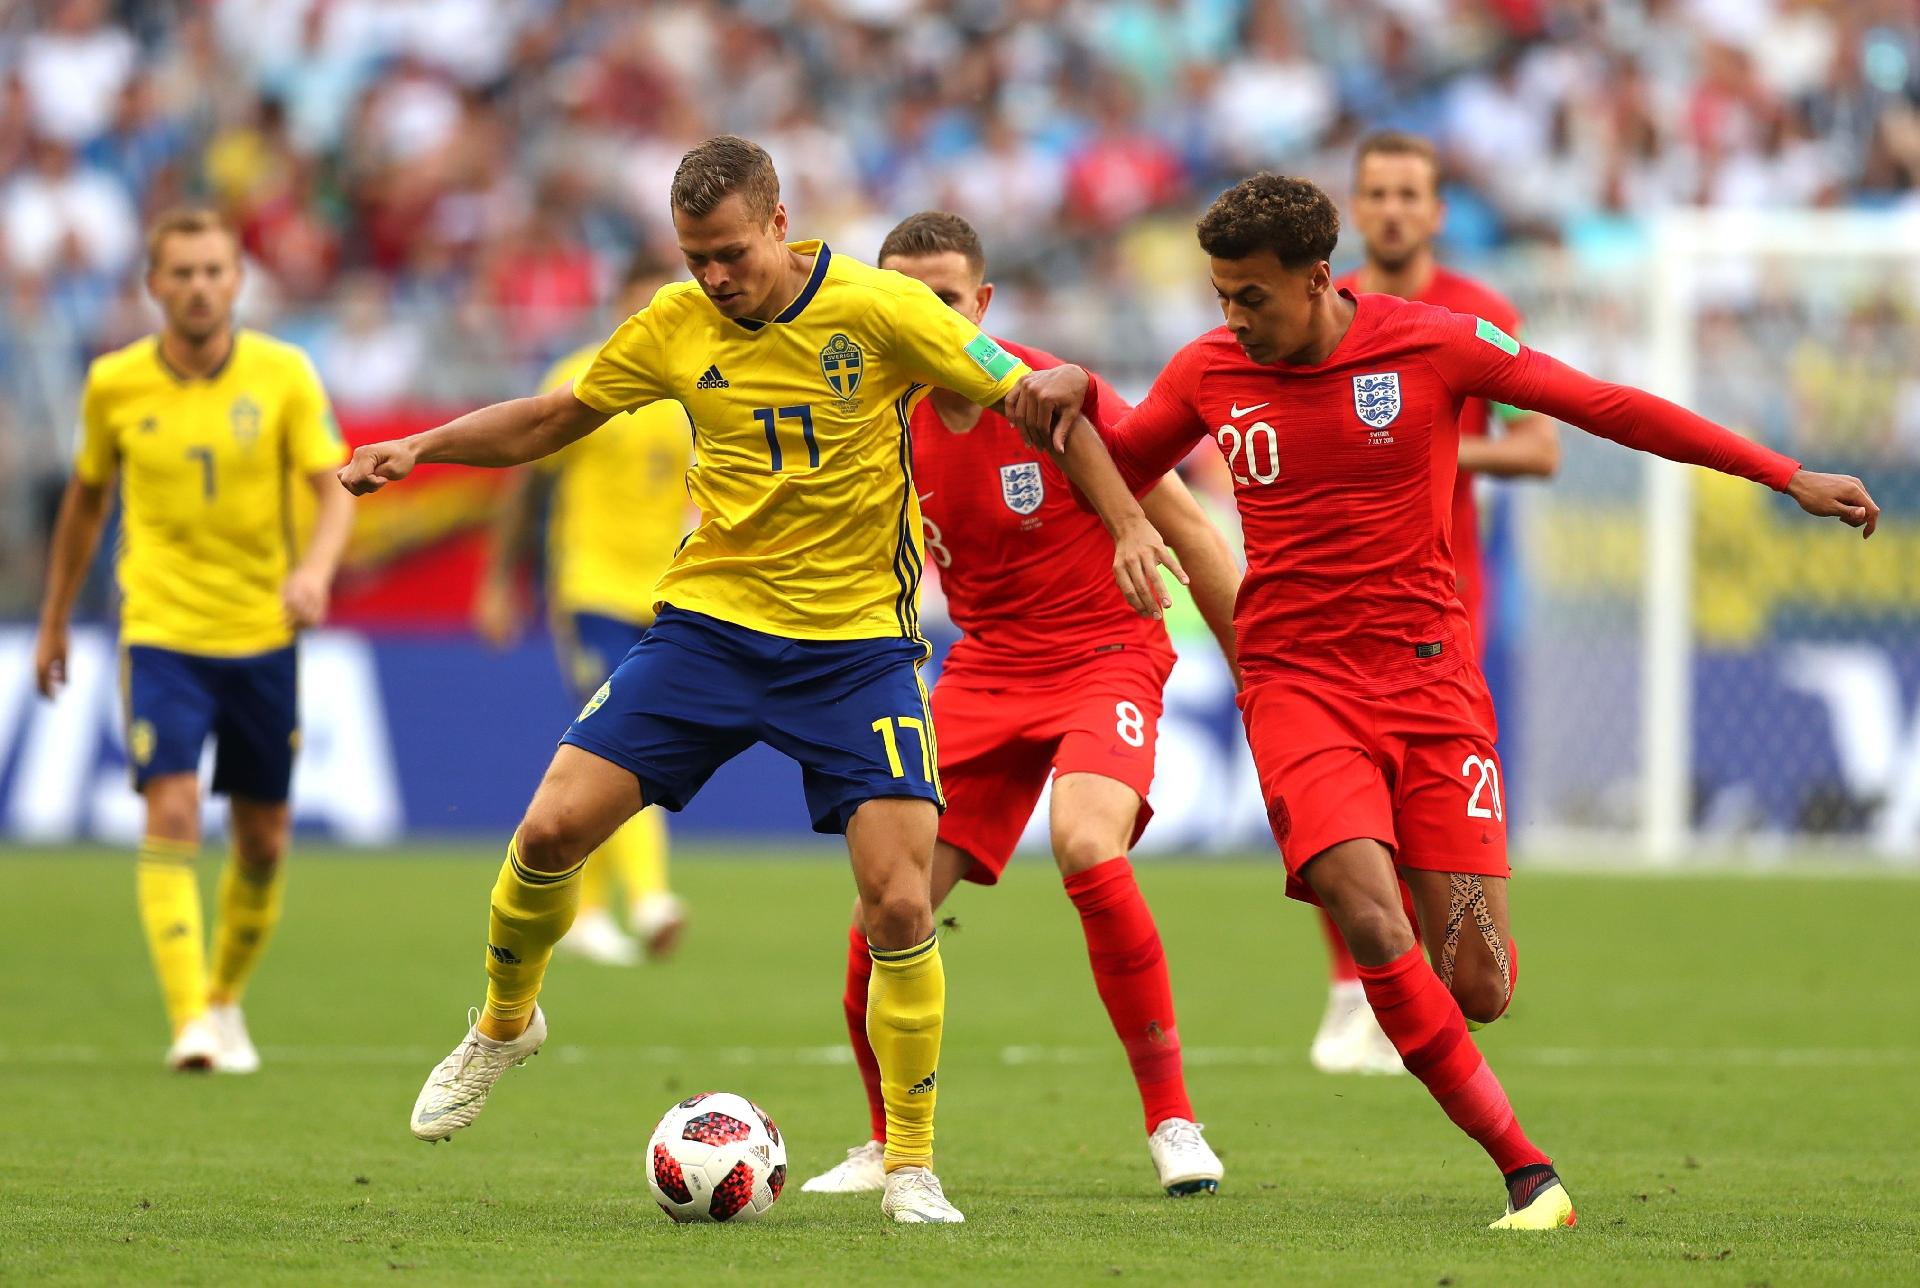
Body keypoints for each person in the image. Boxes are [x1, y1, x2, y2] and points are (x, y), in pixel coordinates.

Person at [1006, 173, 1877, 1230]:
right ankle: (1526, 1170)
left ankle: (1435, 1012)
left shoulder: (1430, 344)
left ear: (1318, 278)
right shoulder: (1207, 370)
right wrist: (1082, 397)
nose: (1232, 317)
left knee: (1481, 984)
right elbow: (1115, 462)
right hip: (1295, 685)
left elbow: (1607, 407)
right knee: (1369, 916)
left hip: (1429, 685)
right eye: (1221, 294)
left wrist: (1784, 473)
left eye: (1252, 297)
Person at [337, 136, 1173, 1226]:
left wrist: (1124, 521)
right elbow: (553, 419)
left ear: (781, 223)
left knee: (902, 901)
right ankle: (504, 1022)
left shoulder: (882, 310)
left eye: (731, 253)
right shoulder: (674, 327)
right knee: (548, 832)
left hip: (857, 651)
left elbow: (1043, 406)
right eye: (696, 259)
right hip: (710, 633)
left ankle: (910, 1162)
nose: (715, 278)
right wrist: (421, 445)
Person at [803, 211, 1240, 1199]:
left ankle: (1174, 1122)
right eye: (905, 299)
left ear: (983, 304)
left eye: (946, 299)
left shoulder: (1046, 394)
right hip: (986, 670)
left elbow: (1186, 530)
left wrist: (1259, 682)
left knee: (1089, 845)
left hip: (1105, 652)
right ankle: (885, 1142)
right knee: (886, 903)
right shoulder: (876, 418)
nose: (927, 318)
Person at [33, 208, 352, 1073]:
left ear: (238, 279)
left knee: (263, 839)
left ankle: (222, 1001)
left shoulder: (284, 374)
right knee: (171, 807)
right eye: (183, 272)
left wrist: (315, 572)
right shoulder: (114, 384)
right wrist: (57, 617)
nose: (201, 286)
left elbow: (336, 491)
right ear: (154, 286)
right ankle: (189, 1021)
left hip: (263, 632)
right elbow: (86, 505)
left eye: (215, 270)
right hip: (161, 629)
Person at [1308, 131, 1564, 1076]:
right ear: (1356, 206)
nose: (1393, 209)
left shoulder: (1476, 310)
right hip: (1337, 601)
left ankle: (1415, 978)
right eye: (1376, 192)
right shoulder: (1326, 309)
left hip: (1446, 596)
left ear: (1439, 210)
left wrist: (1430, 441)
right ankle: (1352, 992)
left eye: (1410, 193)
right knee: (1340, 805)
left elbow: (1541, 447)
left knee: (1415, 808)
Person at [473, 253, 692, 968]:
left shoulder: (697, 385)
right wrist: (499, 581)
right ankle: (652, 896)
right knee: (626, 737)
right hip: (591, 587)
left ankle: (590, 909)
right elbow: (522, 488)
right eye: (637, 304)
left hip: (669, 590)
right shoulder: (581, 377)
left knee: (621, 747)